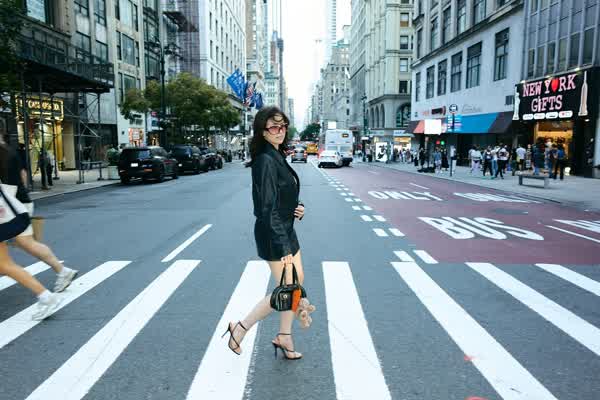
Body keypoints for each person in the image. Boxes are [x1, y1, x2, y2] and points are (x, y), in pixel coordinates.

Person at [224, 107, 307, 360]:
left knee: (295, 284)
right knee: (288, 288)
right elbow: (266, 208)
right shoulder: (265, 160)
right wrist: (283, 247)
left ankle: (284, 336)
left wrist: (297, 207)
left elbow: (281, 194)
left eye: (283, 126)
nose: (280, 132)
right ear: (262, 131)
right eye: (274, 127)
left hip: (285, 229)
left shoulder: (276, 154)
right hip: (274, 234)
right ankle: (240, 328)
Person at [0, 136, 65, 320]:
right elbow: (23, 175)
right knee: (5, 263)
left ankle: (47, 296)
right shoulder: (9, 151)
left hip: (9, 210)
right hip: (11, 208)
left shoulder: (6, 152)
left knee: (5, 264)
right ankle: (48, 293)